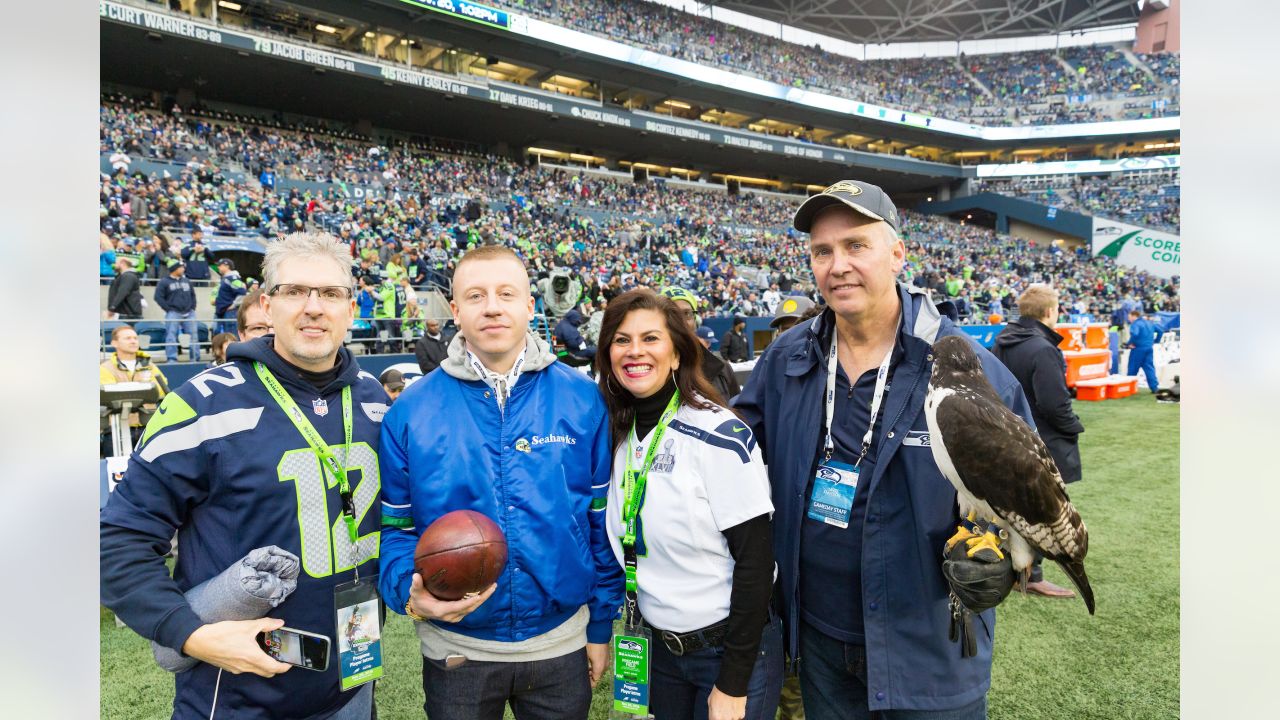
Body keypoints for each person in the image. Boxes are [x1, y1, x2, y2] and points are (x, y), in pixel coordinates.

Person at [733, 180, 1033, 719]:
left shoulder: (969, 373)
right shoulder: (787, 358)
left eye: (855, 245)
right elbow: (728, 448)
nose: (837, 265)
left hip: (930, 649)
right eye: (822, 251)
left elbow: (1026, 497)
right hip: (821, 644)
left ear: (897, 254)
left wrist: (1007, 561)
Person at [100, 232, 386, 719]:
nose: (314, 307)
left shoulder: (373, 397)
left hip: (352, 678)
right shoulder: (203, 402)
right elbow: (119, 537)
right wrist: (189, 634)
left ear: (351, 307)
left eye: (330, 293)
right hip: (237, 694)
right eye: (295, 291)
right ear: (268, 304)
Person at [378, 245, 623, 720]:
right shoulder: (410, 410)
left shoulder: (582, 399)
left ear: (530, 305)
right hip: (457, 644)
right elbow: (396, 530)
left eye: (506, 293)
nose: (492, 306)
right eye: (475, 295)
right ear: (456, 309)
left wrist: (599, 628)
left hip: (560, 640)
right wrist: (407, 591)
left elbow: (599, 525)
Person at [597, 289, 782, 720]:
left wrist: (733, 683)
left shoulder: (716, 435)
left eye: (650, 339)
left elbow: (757, 564)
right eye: (621, 340)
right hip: (657, 648)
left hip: (727, 650)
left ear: (678, 354)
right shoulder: (616, 436)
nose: (635, 351)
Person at [991, 284, 1084, 599]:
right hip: (1042, 442)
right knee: (1045, 511)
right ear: (1049, 312)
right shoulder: (1043, 348)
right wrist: (1074, 427)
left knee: (1016, 508)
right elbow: (1054, 404)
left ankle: (1017, 569)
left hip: (1009, 437)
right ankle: (1032, 574)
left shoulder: (1003, 341)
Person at [100, 324, 170, 455]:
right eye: (127, 338)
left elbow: (161, 391)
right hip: (116, 430)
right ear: (114, 343)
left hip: (148, 427)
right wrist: (144, 388)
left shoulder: (149, 365)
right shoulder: (105, 368)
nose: (133, 341)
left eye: (135, 338)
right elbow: (108, 395)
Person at [661, 287, 740, 401]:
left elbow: (738, 413)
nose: (681, 321)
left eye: (687, 313)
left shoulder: (721, 368)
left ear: (695, 320)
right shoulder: (649, 371)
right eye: (672, 314)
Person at [155, 259, 198, 363]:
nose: (183, 269)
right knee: (171, 336)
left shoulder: (187, 281)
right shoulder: (164, 282)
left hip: (189, 313)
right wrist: (169, 309)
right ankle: (172, 358)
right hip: (173, 312)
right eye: (180, 267)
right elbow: (158, 297)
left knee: (194, 336)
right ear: (174, 269)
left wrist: (192, 307)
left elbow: (193, 295)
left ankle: (195, 358)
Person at [1126, 309, 1162, 392]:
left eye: (1129, 317)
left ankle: (1129, 387)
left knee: (1132, 368)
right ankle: (1154, 388)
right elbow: (1160, 331)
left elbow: (1135, 334)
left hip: (1138, 349)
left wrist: (1129, 343)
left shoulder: (1135, 324)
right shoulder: (1149, 322)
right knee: (1149, 368)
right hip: (1149, 348)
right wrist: (1156, 341)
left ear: (1134, 316)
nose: (1129, 319)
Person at [213, 258, 247, 335]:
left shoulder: (232, 278)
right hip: (224, 312)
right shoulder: (227, 278)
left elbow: (242, 293)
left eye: (220, 265)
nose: (218, 267)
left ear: (227, 266)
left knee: (232, 336)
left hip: (230, 313)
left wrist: (233, 305)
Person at [107, 255, 144, 320]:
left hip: (128, 315)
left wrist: (112, 307)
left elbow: (123, 292)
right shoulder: (123, 276)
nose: (114, 265)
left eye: (116, 263)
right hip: (124, 314)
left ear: (123, 263)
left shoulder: (128, 276)